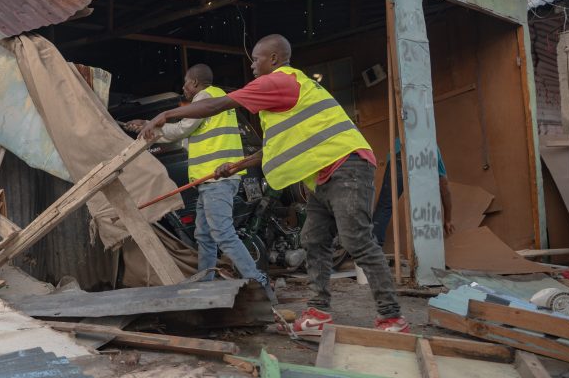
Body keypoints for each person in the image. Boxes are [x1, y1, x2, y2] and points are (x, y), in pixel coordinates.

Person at [140, 34, 410, 333]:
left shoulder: (279, 81)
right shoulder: (279, 99)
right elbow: (272, 149)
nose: (252, 66)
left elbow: (217, 105)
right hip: (323, 175)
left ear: (274, 59)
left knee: (357, 240)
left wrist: (164, 114)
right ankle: (319, 313)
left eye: (256, 59)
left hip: (346, 166)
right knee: (313, 241)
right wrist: (237, 165)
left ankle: (391, 316)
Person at [126, 65, 269, 289]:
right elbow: (188, 135)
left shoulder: (204, 99)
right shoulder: (220, 98)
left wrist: (153, 128)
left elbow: (182, 129)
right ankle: (206, 284)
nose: (183, 87)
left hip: (217, 179)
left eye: (185, 82)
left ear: (194, 83)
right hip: (212, 179)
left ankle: (258, 281)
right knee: (204, 235)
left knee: (222, 233)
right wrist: (147, 126)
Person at [371, 138, 454, 246]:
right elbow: (444, 187)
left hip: (396, 160)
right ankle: (426, 247)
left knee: (385, 206)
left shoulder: (397, 141)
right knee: (424, 205)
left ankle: (373, 247)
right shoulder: (431, 143)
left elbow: (386, 200)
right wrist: (448, 219)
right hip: (422, 158)